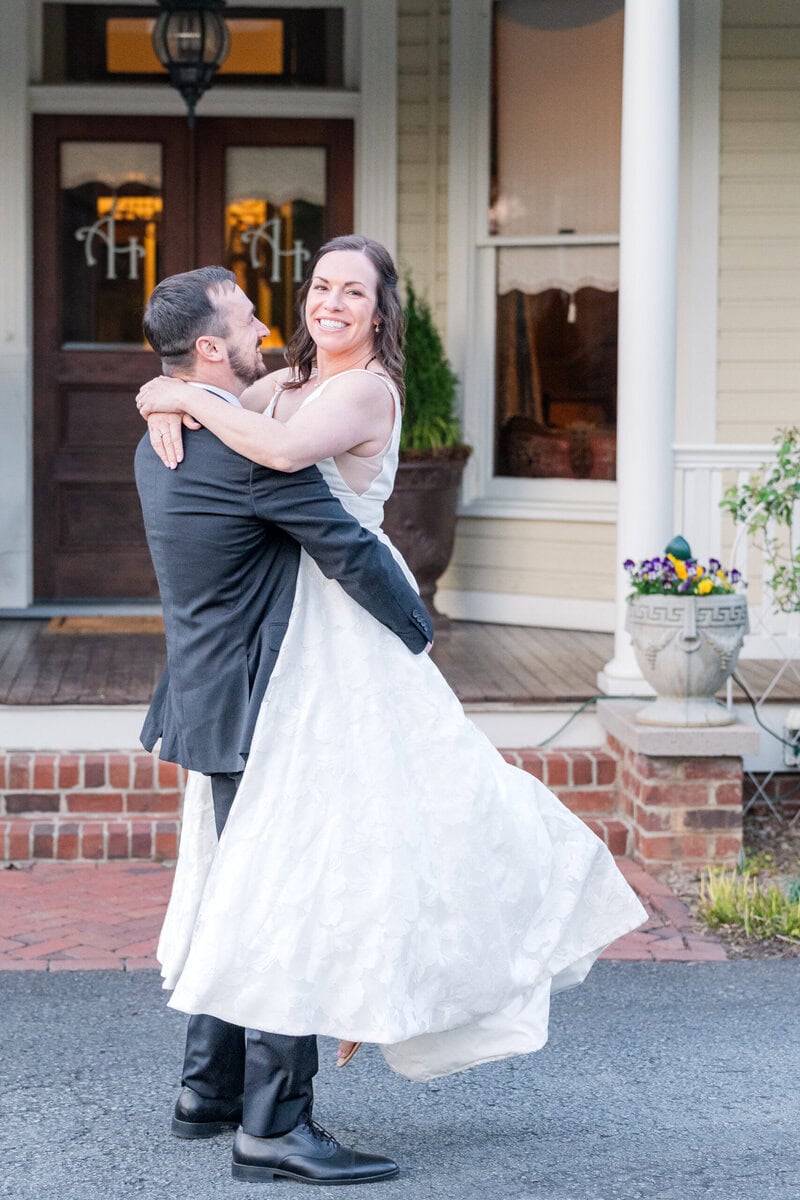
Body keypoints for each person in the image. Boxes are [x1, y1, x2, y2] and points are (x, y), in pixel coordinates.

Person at [138, 236, 647, 1159]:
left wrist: (178, 393)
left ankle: (239, 1093)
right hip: (292, 647)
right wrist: (167, 388)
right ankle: (237, 1102)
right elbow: (223, 405)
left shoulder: (361, 389)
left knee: (350, 840)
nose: (330, 302)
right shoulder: (280, 379)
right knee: (286, 859)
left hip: (346, 636)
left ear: (380, 312)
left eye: (352, 291)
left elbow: (279, 453)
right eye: (320, 286)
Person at [135, 263, 435, 1187]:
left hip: (207, 690)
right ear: (215, 346)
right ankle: (273, 1126)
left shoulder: (167, 436)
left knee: (241, 883)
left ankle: (207, 1090)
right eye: (250, 312)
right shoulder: (250, 454)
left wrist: (164, 387)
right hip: (266, 697)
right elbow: (346, 547)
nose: (276, 318)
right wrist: (420, 640)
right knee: (288, 897)